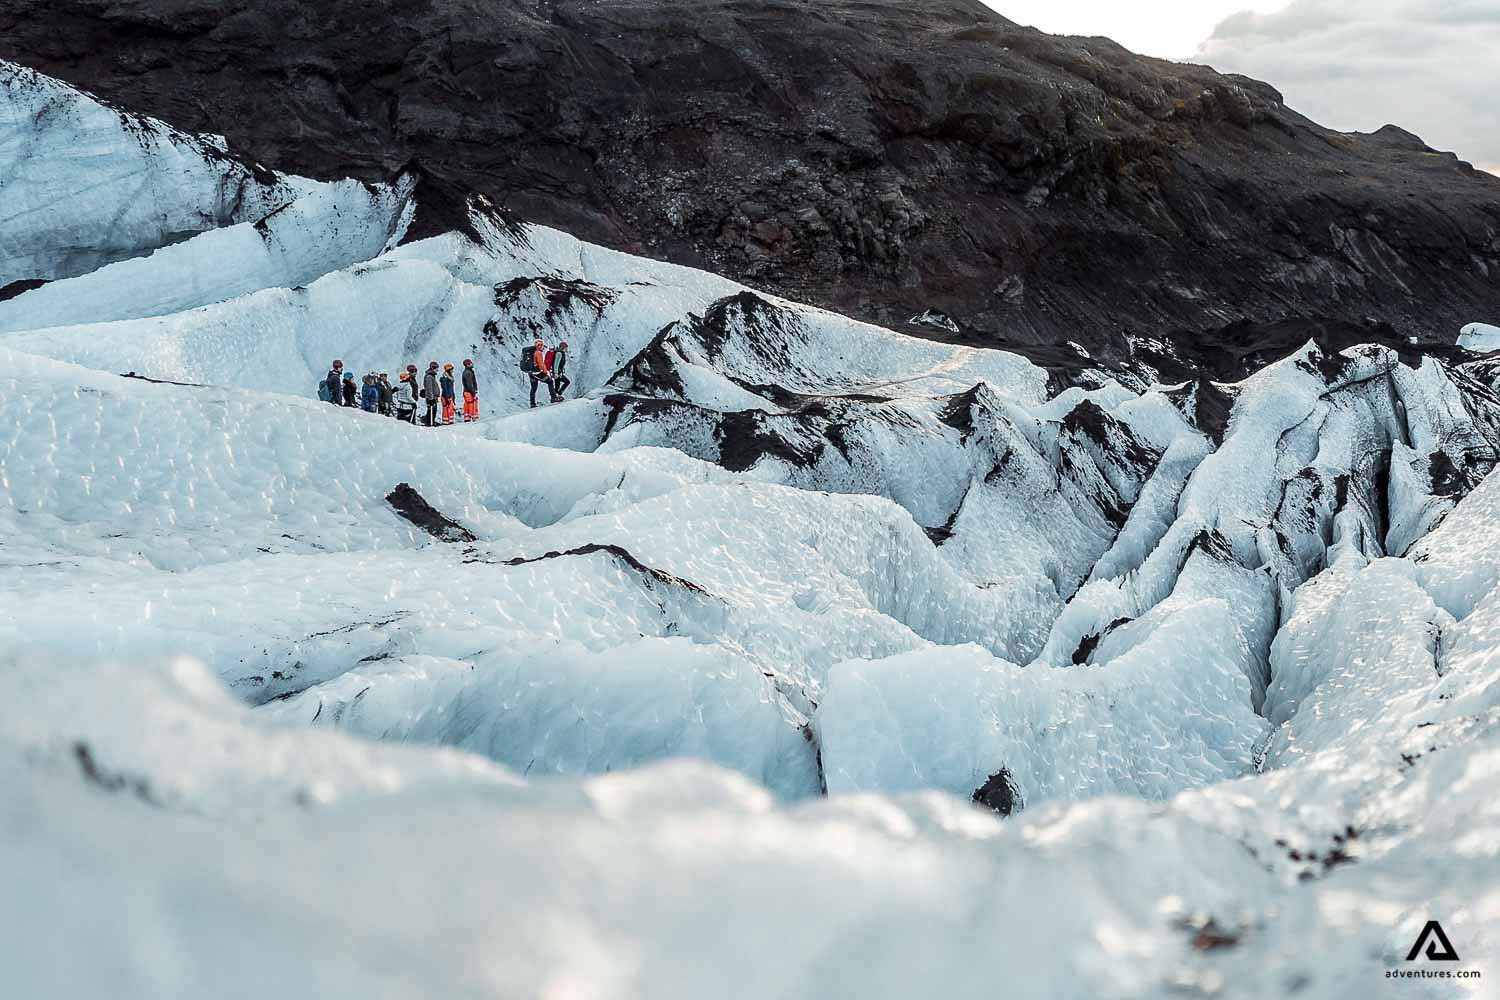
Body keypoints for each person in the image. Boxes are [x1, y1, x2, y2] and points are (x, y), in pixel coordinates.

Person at [527, 337, 553, 408]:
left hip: (531, 373)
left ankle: (532, 403)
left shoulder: (531, 352)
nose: (542, 347)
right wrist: (545, 372)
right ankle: (553, 397)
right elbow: (541, 364)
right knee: (550, 381)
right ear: (539, 346)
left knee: (533, 388)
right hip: (537, 372)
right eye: (541, 345)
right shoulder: (538, 353)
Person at [422, 361, 440, 426]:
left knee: (433, 410)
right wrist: (431, 398)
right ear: (433, 368)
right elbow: (429, 388)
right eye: (436, 368)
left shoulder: (431, 376)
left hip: (433, 397)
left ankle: (431, 421)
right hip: (431, 398)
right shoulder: (429, 377)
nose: (437, 370)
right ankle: (429, 422)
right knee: (431, 410)